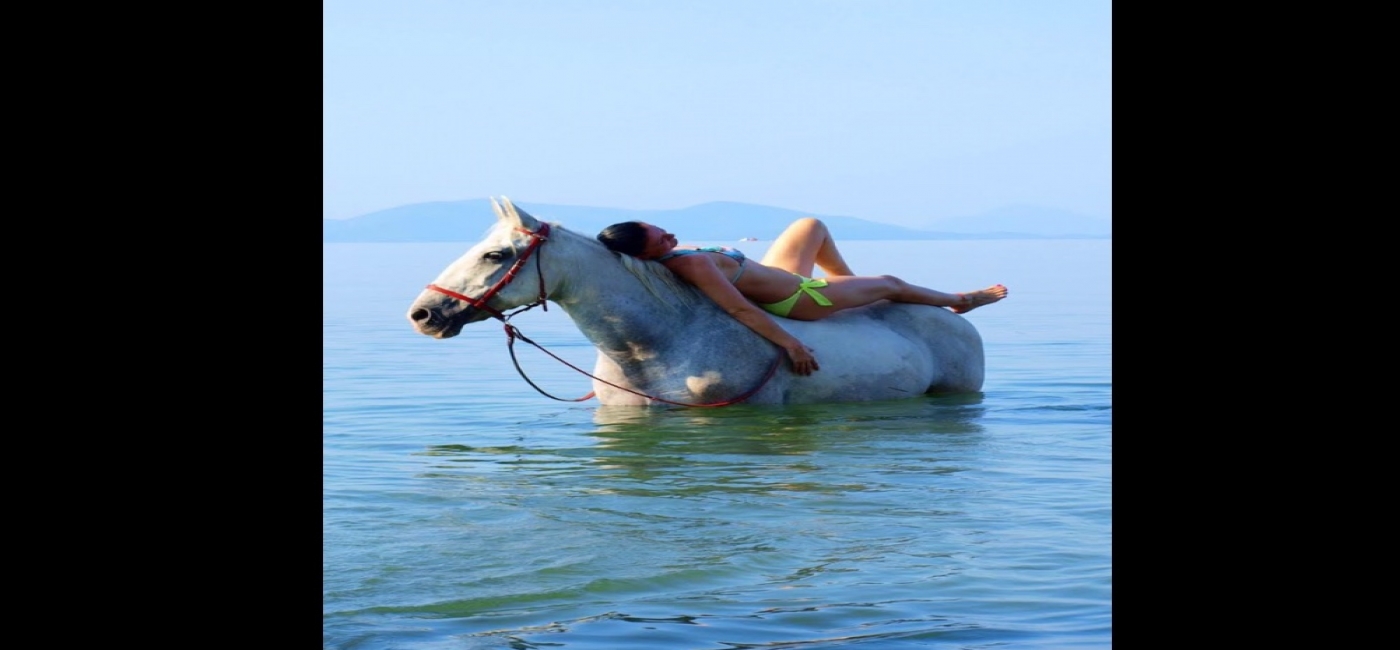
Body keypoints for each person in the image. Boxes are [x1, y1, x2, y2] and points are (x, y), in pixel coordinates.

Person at [596, 217, 1008, 376]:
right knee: (890, 283)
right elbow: (737, 307)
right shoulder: (691, 265)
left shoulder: (666, 260)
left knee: (810, 226)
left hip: (782, 276)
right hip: (800, 299)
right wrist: (791, 344)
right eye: (659, 236)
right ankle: (960, 299)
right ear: (645, 252)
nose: (668, 233)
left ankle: (851, 288)